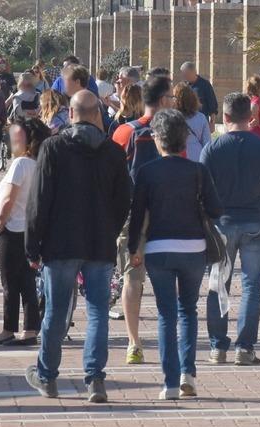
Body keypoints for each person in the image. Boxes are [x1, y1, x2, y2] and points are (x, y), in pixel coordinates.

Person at [25, 90, 132, 403]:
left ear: (70, 114)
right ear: (97, 114)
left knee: (57, 311)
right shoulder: (112, 152)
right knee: (98, 311)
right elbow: (123, 198)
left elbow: (39, 199)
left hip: (61, 242)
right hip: (99, 241)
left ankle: (47, 375)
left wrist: (33, 244)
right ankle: (95, 378)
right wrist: (110, 227)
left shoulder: (54, 147)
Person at [128, 109, 222, 399]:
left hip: (158, 248)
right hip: (194, 247)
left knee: (166, 314)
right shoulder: (198, 170)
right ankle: (188, 374)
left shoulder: (147, 172)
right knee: (188, 310)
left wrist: (134, 249)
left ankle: (169, 382)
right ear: (184, 140)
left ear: (158, 139)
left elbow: (136, 215)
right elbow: (216, 209)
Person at [200, 93, 260, 366]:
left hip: (222, 223)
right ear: (251, 117)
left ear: (224, 118)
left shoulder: (213, 149)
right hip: (254, 221)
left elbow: (202, 188)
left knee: (218, 284)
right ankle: (245, 348)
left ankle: (217, 346)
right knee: (252, 287)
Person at [111, 76, 175, 364]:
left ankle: (133, 342)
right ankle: (167, 336)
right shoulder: (172, 133)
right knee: (166, 279)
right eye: (171, 98)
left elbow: (111, 176)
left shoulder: (124, 132)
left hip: (129, 214)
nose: (174, 102)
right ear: (162, 101)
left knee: (131, 279)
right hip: (164, 213)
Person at [0, 119, 51, 346]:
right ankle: (30, 329)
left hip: (13, 228)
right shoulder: (39, 164)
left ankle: (8, 329)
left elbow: (8, 197)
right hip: (30, 230)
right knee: (27, 282)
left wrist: (0, 222)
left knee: (10, 283)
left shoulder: (21, 164)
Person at [173, 82, 212, 159]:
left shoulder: (172, 117)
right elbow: (207, 143)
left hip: (177, 156)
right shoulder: (201, 117)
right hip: (197, 156)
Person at [178, 62, 218, 128]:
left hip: (202, 122)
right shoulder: (183, 86)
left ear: (193, 72)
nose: (184, 77)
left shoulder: (205, 85)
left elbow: (212, 104)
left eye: (185, 74)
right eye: (183, 74)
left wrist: (212, 122)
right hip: (186, 122)